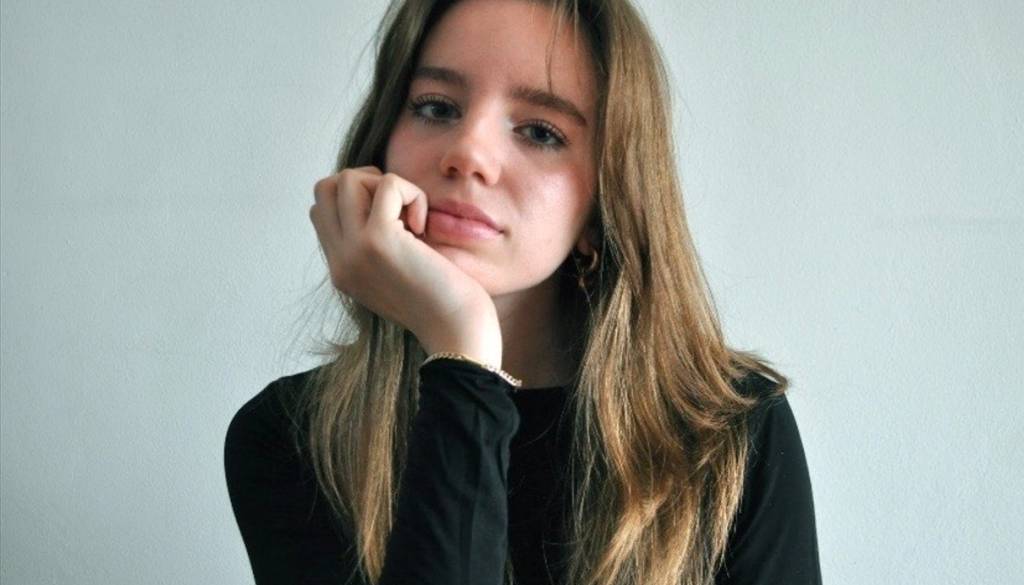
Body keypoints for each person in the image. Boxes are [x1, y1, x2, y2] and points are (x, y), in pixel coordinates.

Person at [224, 0, 822, 583]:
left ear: (604, 204)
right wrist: (462, 347)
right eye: (435, 107)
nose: (468, 153)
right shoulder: (292, 438)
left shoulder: (729, 434)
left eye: (539, 131)